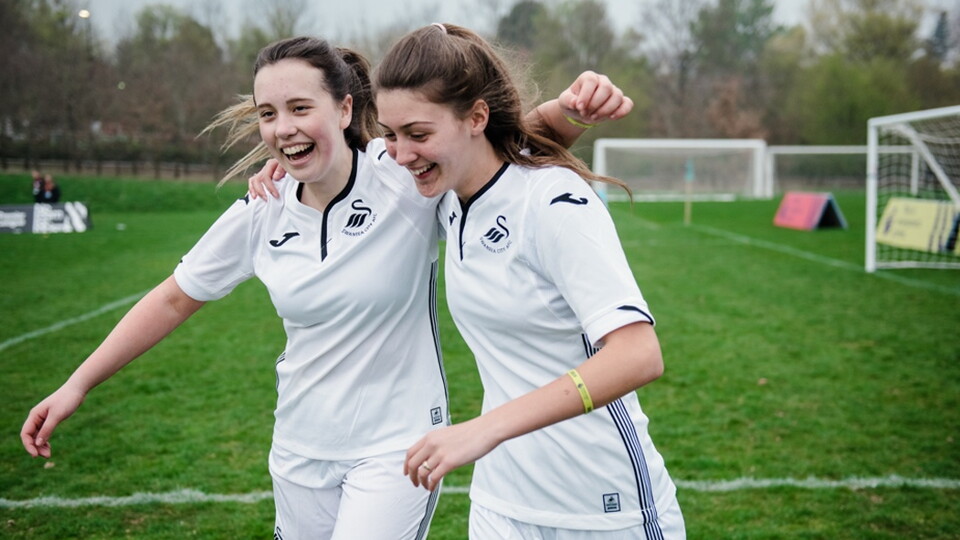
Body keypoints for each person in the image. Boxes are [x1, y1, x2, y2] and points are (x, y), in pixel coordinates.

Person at [22, 34, 631, 540]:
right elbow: (174, 297)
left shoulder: (402, 176)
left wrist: (571, 109)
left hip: (397, 448)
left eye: (299, 108)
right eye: (268, 114)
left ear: (343, 110)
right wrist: (77, 384)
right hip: (299, 448)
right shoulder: (261, 208)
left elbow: (479, 144)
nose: (283, 128)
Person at [373, 23, 686, 539]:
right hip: (501, 506)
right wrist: (271, 178)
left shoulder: (552, 201)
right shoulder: (445, 195)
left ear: (476, 118)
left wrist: (484, 430)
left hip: (603, 509)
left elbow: (639, 355)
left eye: (418, 134)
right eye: (390, 134)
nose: (401, 154)